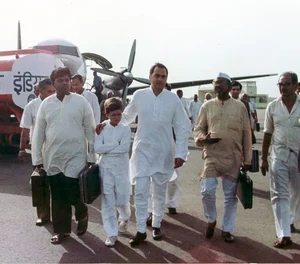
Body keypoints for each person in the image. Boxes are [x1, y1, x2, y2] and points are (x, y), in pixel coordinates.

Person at [96, 62, 190, 246]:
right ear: (150, 77)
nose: (160, 80)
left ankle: (156, 225)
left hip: (164, 153)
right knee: (139, 192)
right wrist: (104, 125)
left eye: (163, 77)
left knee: (159, 192)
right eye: (157, 76)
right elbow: (125, 118)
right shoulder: (140, 95)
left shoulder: (173, 99)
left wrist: (181, 153)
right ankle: (140, 230)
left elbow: (182, 126)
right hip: (142, 152)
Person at [32, 67, 96, 244]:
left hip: (76, 154)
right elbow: (38, 132)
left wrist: (92, 157)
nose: (65, 83)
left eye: (67, 80)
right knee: (58, 194)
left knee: (72, 189)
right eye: (61, 80)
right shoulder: (46, 104)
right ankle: (62, 231)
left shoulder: (81, 102)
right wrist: (37, 159)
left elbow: (90, 130)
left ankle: (81, 212)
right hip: (53, 156)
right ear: (54, 83)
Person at [194, 72, 252, 243]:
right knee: (207, 191)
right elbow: (198, 128)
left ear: (228, 85)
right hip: (212, 155)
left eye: (221, 83)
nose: (217, 86)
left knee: (229, 196)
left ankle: (227, 229)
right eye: (215, 83)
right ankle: (211, 220)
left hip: (232, 157)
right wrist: (202, 138)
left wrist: (247, 159)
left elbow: (246, 134)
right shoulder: (207, 106)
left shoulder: (240, 106)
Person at [260, 71, 300, 248]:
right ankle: (284, 233)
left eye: (287, 84)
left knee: (296, 193)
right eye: (280, 84)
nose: (283, 87)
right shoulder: (273, 107)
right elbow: (267, 133)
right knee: (279, 195)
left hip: (298, 155)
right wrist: (263, 158)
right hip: (278, 154)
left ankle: (291, 219)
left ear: (296, 86)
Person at [94, 97, 131, 247]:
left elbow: (124, 149)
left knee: (122, 199)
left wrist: (107, 148)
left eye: (119, 114)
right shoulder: (102, 128)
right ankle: (111, 233)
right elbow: (97, 148)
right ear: (107, 114)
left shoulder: (125, 128)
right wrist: (115, 144)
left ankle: (125, 217)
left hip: (121, 169)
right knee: (108, 201)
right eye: (113, 114)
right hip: (106, 169)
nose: (116, 117)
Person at [19, 78, 55, 226]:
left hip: (56, 149)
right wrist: (22, 148)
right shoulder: (31, 107)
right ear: (39, 91)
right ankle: (43, 214)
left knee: (57, 183)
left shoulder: (58, 104)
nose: (52, 94)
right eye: (49, 91)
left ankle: (61, 214)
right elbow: (25, 128)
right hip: (38, 150)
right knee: (40, 183)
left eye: (53, 91)